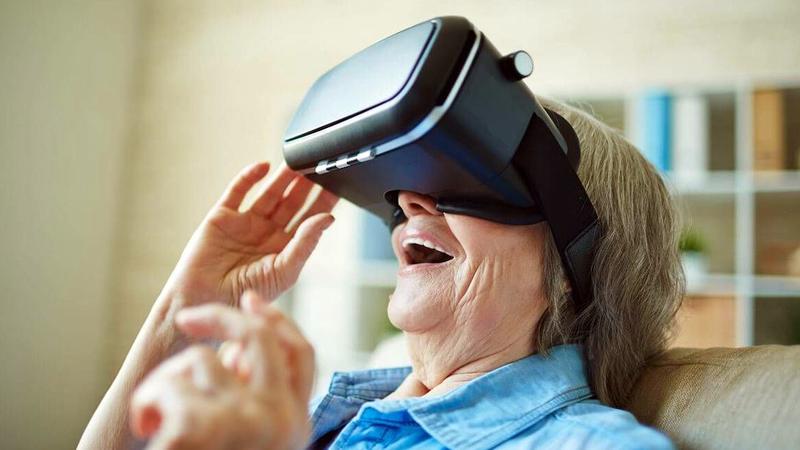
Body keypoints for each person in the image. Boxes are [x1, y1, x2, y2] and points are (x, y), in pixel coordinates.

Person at [79, 99, 684, 449]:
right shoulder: (335, 413)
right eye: (414, 184)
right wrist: (180, 312)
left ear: (577, 258)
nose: (411, 204)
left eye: (469, 185)